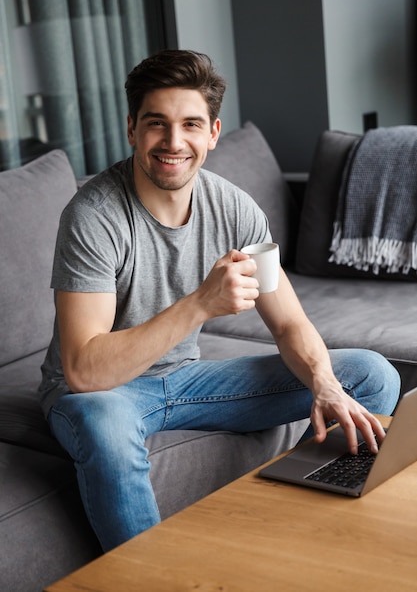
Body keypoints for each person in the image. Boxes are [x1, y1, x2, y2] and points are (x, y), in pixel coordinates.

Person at [39, 49, 400, 552]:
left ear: (212, 132)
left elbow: (290, 324)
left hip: (186, 380)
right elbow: (84, 371)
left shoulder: (233, 206)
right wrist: (202, 303)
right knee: (102, 420)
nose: (172, 142)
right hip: (103, 395)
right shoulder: (93, 216)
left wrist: (324, 384)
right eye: (156, 123)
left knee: (370, 374)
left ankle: (286, 536)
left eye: (190, 124)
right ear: (131, 129)